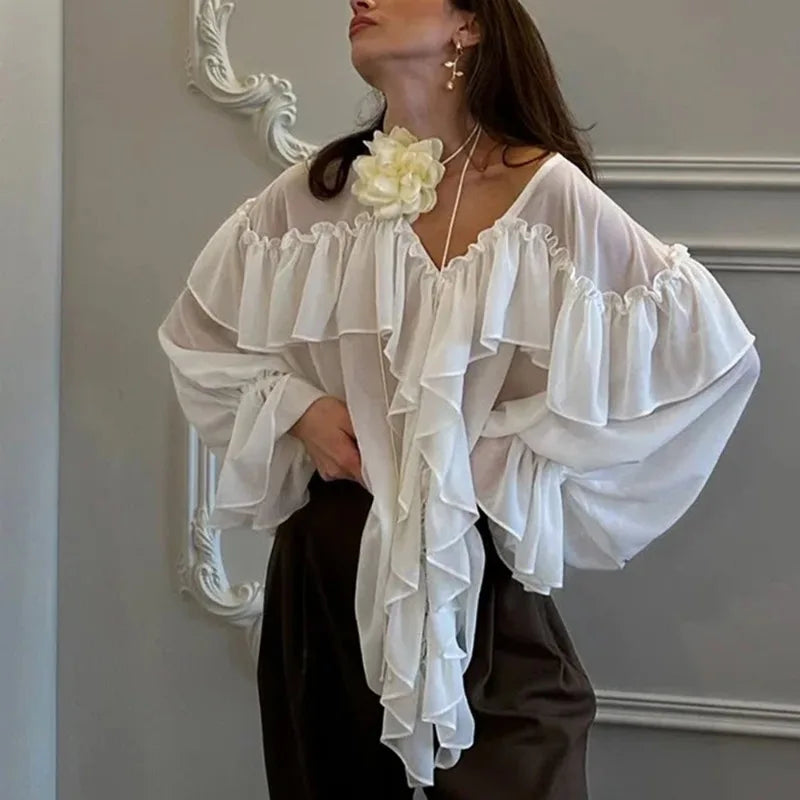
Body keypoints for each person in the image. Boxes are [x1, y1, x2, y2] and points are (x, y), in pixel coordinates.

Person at [158, 0, 761, 797]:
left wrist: (500, 458)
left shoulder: (547, 198)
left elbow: (713, 363)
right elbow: (199, 338)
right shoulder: (318, 193)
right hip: (327, 590)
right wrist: (297, 408)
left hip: (483, 598)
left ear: (470, 25)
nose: (358, 0)